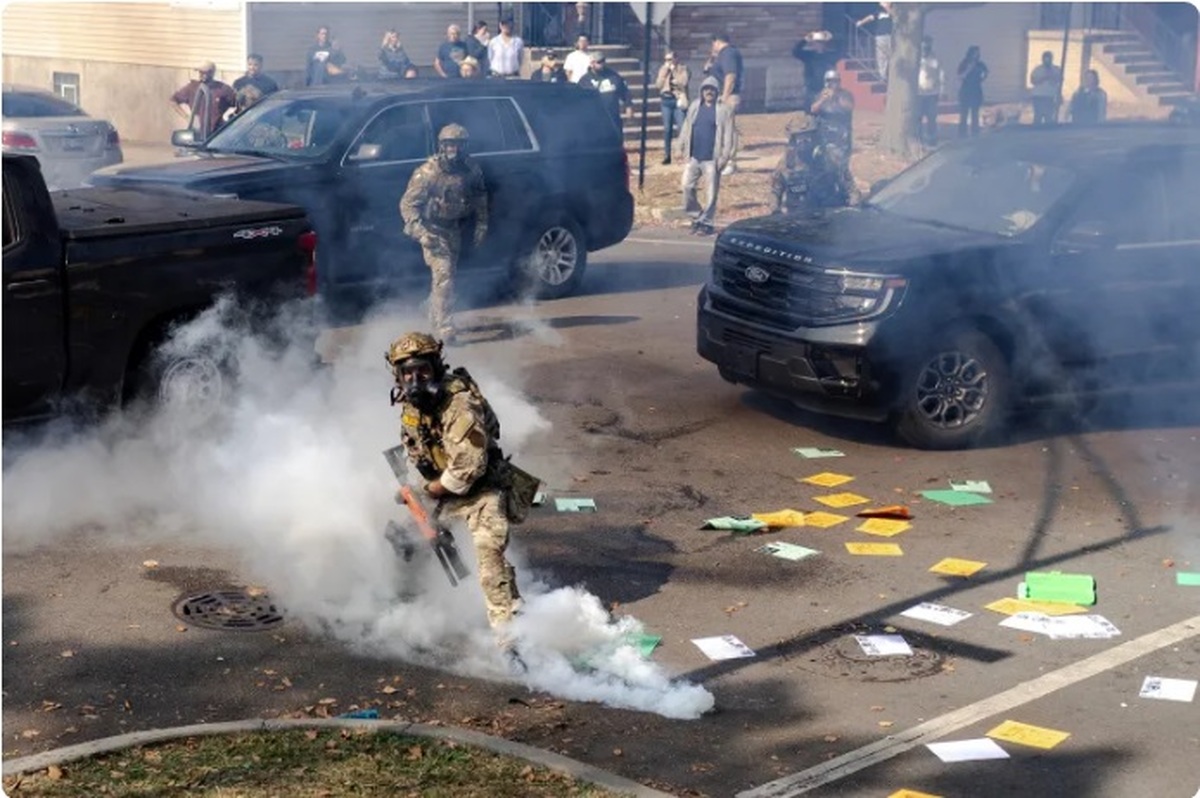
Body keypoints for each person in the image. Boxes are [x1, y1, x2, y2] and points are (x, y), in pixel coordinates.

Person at [384, 331, 526, 645]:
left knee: (490, 564)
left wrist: (427, 491)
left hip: (483, 491)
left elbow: (468, 468)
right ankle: (417, 605)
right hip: (444, 490)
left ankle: (512, 642)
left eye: (423, 371)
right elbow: (419, 450)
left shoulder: (459, 404)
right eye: (408, 373)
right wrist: (415, 493)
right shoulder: (411, 406)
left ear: (436, 367)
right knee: (405, 539)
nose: (415, 380)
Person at [399, 124, 488, 342]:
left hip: (453, 229)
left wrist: (482, 225)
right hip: (433, 230)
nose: (453, 150)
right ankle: (445, 327)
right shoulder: (427, 173)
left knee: (446, 277)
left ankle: (431, 310)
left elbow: (480, 196)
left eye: (458, 145)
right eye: (449, 144)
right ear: (441, 145)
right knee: (444, 275)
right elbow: (408, 205)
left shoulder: (471, 169)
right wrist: (421, 233)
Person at [678, 76, 736, 235]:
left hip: (712, 159)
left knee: (711, 193)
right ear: (701, 91)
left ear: (717, 92)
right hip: (694, 157)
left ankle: (707, 223)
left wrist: (725, 157)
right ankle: (696, 216)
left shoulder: (724, 110)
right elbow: (686, 127)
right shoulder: (695, 106)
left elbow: (729, 135)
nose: (708, 92)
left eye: (712, 89)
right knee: (686, 186)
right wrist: (680, 147)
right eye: (706, 89)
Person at [707, 32, 743, 175]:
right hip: (720, 95)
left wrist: (725, 95)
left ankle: (730, 162)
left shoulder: (728, 53)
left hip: (728, 96)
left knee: (728, 130)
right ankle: (722, 159)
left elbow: (730, 75)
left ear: (717, 41)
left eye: (713, 43)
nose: (712, 46)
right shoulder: (721, 55)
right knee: (721, 129)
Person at [170, 61, 237, 140]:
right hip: (198, 133)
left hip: (218, 134)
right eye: (200, 72)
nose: (201, 75)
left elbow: (237, 105)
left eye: (205, 72)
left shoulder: (223, 89)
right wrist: (188, 118)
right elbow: (173, 101)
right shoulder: (192, 88)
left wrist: (228, 118)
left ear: (212, 73)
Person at [578, 52, 632, 127]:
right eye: (599, 62)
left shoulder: (613, 75)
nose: (602, 64)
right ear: (592, 64)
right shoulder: (585, 80)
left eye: (603, 61)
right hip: (594, 119)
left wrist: (628, 107)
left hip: (612, 117)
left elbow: (624, 91)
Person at [655, 50, 690, 165]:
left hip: (678, 100)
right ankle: (667, 155)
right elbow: (658, 85)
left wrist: (674, 72)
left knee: (682, 128)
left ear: (676, 59)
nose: (668, 62)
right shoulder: (663, 69)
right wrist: (665, 72)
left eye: (670, 59)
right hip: (666, 100)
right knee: (667, 129)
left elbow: (684, 82)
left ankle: (683, 153)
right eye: (666, 60)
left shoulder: (683, 69)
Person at [810, 69, 855, 153]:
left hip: (841, 127)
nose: (832, 84)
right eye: (829, 81)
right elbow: (813, 110)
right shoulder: (821, 94)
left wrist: (836, 96)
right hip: (825, 128)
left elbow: (849, 107)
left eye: (835, 81)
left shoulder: (845, 94)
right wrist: (822, 100)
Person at [793, 30, 839, 107]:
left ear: (824, 44)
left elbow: (840, 51)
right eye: (816, 42)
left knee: (826, 106)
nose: (818, 44)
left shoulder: (829, 55)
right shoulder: (808, 55)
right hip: (811, 85)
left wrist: (832, 39)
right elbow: (795, 52)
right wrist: (805, 40)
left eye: (821, 42)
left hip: (826, 84)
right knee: (810, 106)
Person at [856, 2, 893, 83]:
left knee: (889, 56)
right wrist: (861, 22)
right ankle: (882, 76)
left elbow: (894, 16)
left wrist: (887, 8)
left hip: (890, 36)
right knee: (881, 56)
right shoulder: (878, 12)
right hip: (880, 36)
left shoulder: (894, 11)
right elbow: (870, 17)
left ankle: (888, 75)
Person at [917, 36, 944, 146]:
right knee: (917, 118)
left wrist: (942, 90)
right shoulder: (916, 59)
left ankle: (932, 140)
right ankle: (918, 140)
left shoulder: (935, 59)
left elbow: (941, 75)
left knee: (932, 118)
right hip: (918, 93)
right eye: (923, 45)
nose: (925, 48)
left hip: (932, 94)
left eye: (927, 45)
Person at [957, 45, 988, 138]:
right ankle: (962, 133)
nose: (976, 55)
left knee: (975, 113)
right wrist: (969, 69)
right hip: (966, 90)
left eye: (978, 53)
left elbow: (985, 73)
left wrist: (982, 76)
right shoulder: (964, 63)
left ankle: (975, 132)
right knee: (964, 113)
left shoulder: (980, 64)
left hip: (976, 90)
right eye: (975, 53)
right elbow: (960, 76)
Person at [1029, 50, 1062, 126]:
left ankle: (1048, 131)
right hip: (1038, 96)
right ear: (1042, 59)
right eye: (1045, 59)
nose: (1047, 60)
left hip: (1050, 97)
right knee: (1038, 116)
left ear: (1051, 59)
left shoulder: (1056, 69)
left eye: (1049, 58)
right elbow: (1033, 81)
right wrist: (1043, 78)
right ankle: (1036, 130)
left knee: (1049, 117)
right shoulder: (1037, 69)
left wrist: (1052, 77)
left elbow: (1060, 80)